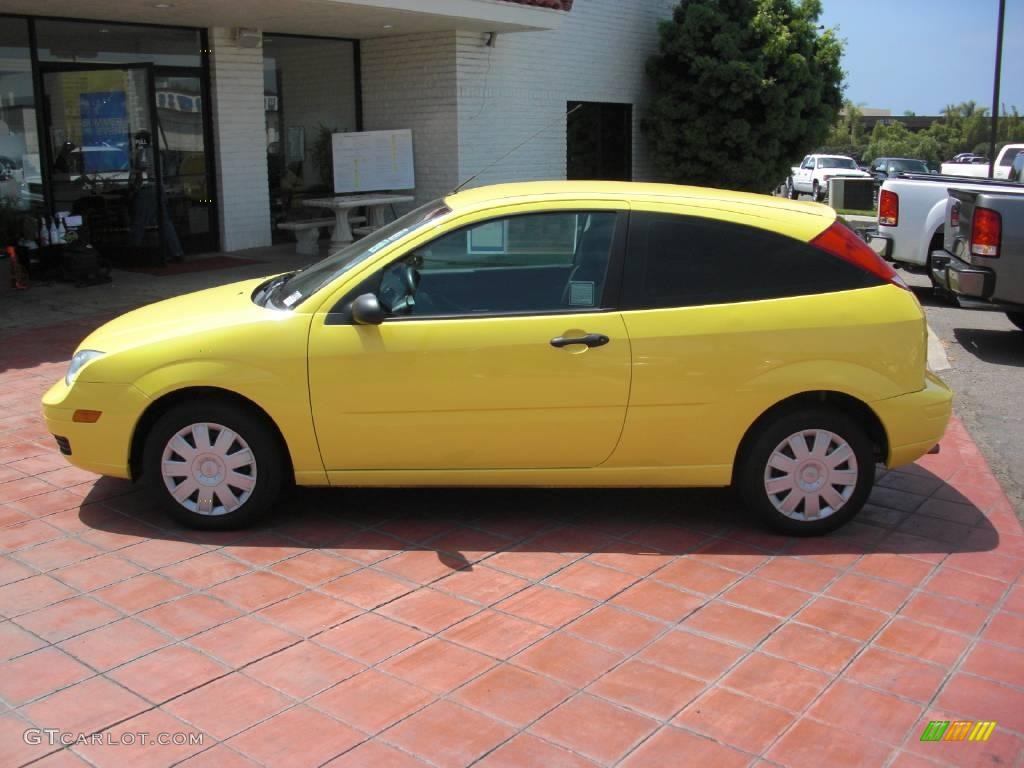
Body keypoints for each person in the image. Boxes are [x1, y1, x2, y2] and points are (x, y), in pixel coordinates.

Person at [130, 130, 184, 263]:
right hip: (158, 188)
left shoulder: (143, 152)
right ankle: (176, 252)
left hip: (148, 189)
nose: (136, 143)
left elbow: (144, 170)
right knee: (164, 221)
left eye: (137, 140)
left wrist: (134, 182)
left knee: (140, 221)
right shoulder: (156, 152)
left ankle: (133, 252)